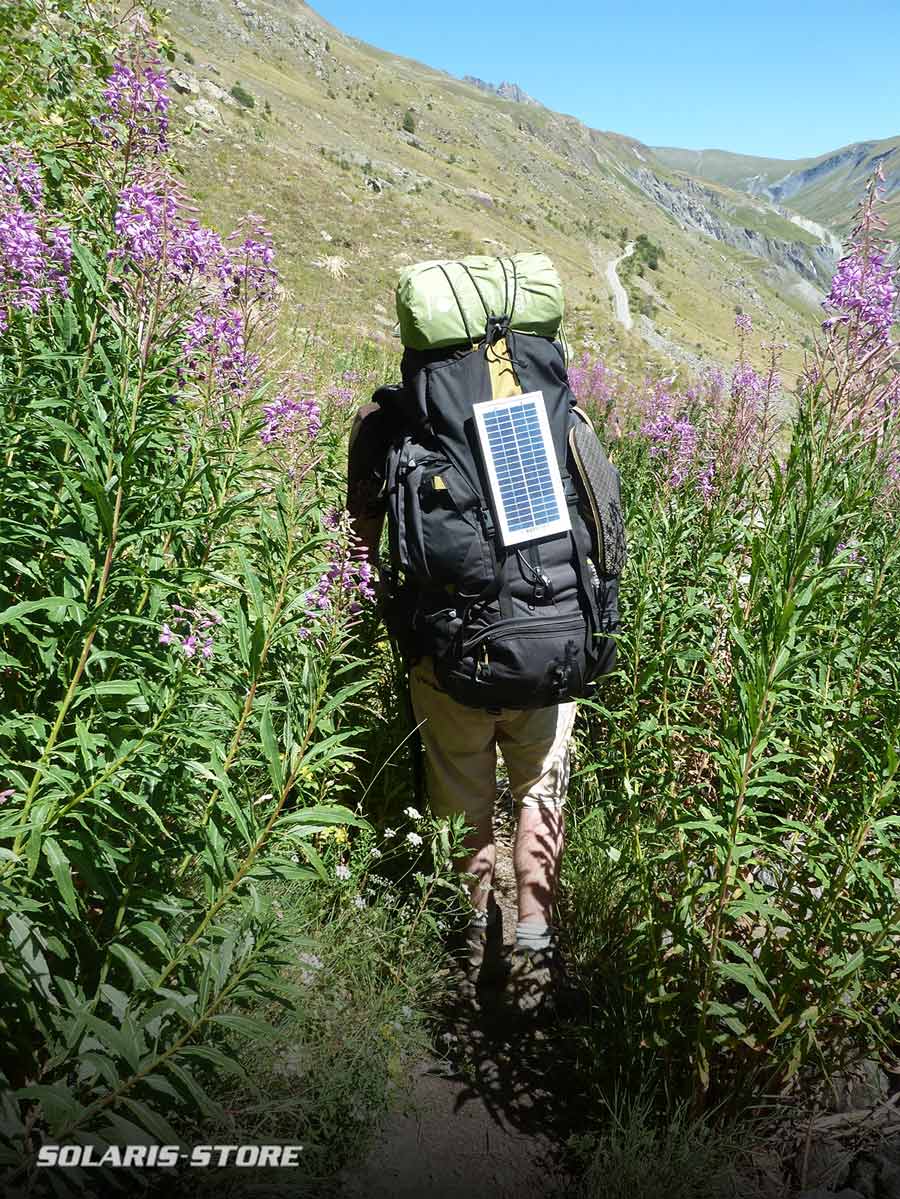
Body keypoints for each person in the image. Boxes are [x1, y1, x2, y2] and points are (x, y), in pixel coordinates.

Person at [347, 401, 578, 1016]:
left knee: (463, 798)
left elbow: (361, 552)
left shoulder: (386, 422)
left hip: (451, 655)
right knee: (539, 793)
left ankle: (477, 950)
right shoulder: (548, 407)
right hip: (548, 651)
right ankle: (534, 954)